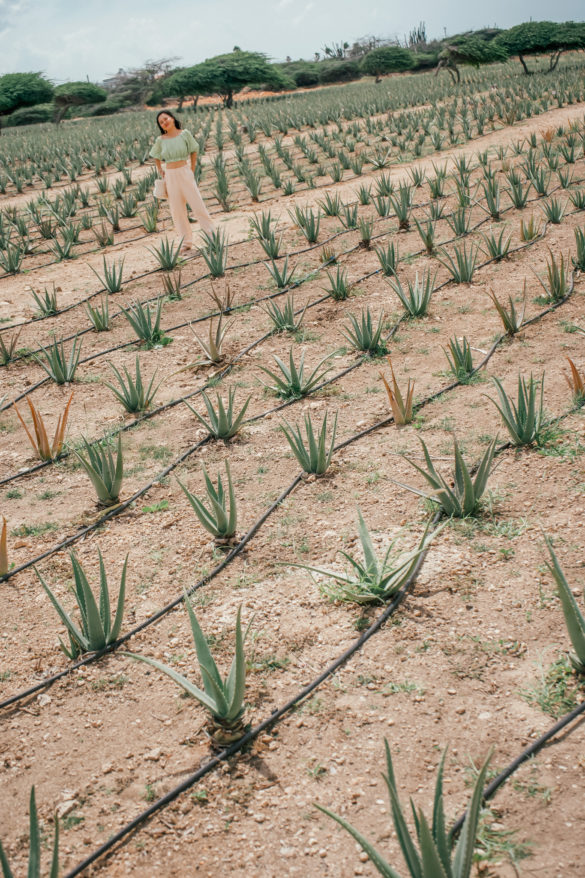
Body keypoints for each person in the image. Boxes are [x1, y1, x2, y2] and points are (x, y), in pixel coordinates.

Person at [149, 110, 214, 252]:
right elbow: (155, 155)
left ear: (172, 118)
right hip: (170, 176)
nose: (164, 122)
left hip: (185, 172)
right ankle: (186, 242)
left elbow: (194, 150)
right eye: (161, 122)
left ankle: (211, 236)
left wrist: (192, 167)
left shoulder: (184, 134)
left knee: (197, 205)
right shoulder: (161, 140)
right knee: (177, 210)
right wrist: (160, 169)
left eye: (166, 119)